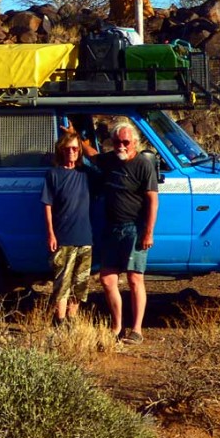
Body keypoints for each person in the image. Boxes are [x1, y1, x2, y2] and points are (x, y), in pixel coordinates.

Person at [75, 119, 158, 344]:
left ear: (135, 143)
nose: (121, 146)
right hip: (112, 228)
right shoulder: (110, 160)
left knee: (135, 279)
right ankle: (117, 327)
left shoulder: (143, 165)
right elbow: (93, 155)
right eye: (117, 142)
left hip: (135, 228)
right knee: (107, 279)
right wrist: (77, 138)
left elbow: (153, 201)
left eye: (126, 142)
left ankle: (137, 330)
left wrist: (148, 232)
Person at [41, 131, 94, 325]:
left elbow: (101, 161)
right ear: (61, 151)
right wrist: (51, 234)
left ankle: (72, 320)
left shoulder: (86, 174)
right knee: (62, 283)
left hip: (85, 238)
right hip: (63, 238)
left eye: (75, 148)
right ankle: (60, 321)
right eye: (67, 148)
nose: (71, 152)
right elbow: (47, 205)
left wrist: (79, 137)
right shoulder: (54, 174)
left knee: (80, 285)